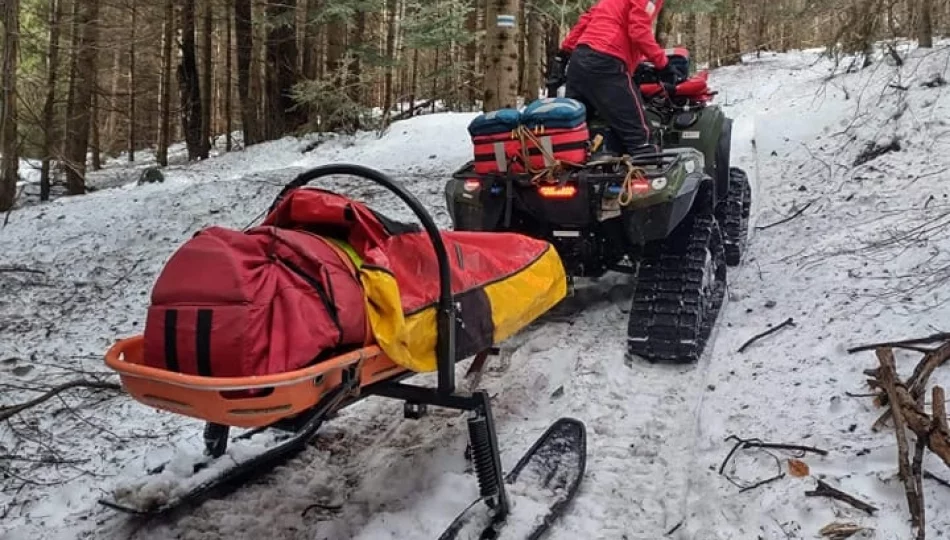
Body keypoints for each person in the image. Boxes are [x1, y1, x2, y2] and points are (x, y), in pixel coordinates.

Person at [549, 0, 683, 156]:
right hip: (606, 63)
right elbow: (638, 30)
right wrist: (663, 64)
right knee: (640, 140)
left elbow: (587, 19)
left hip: (579, 62)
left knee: (575, 137)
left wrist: (564, 53)